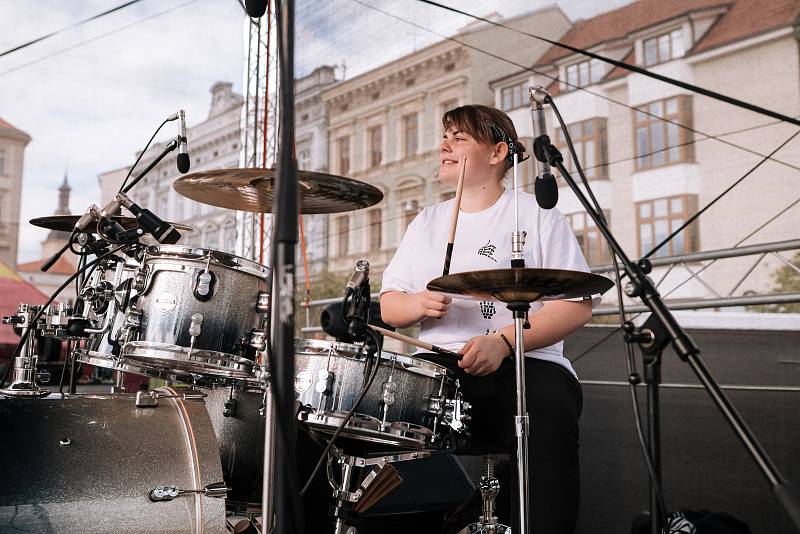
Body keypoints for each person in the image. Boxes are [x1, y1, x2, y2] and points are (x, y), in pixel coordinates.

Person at [379, 104, 597, 533]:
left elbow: (576, 304)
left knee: (548, 412)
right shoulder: (427, 222)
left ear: (498, 152)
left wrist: (504, 341)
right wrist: (419, 304)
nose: (444, 145)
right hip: (439, 366)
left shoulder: (536, 213)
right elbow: (390, 305)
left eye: (459, 138)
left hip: (528, 363)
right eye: (445, 137)